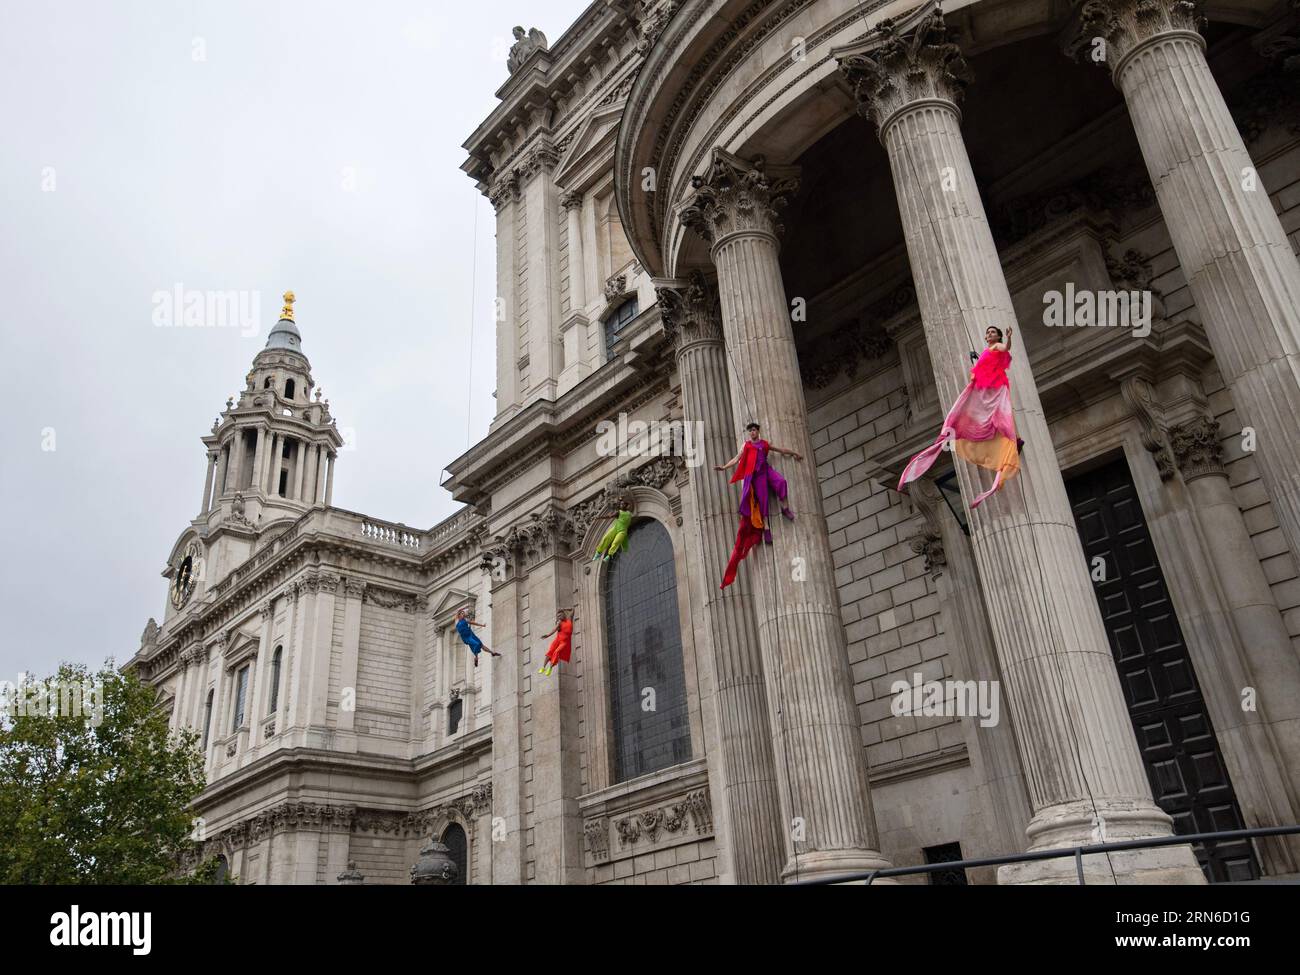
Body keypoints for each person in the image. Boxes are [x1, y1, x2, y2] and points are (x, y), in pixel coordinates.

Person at [899, 325, 1021, 509]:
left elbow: (1005, 349)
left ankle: (1012, 440)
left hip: (995, 387)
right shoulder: (986, 352)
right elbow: (983, 369)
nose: (989, 335)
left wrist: (1009, 338)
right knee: (983, 414)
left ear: (998, 337)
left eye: (993, 333)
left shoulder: (997, 347)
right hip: (986, 388)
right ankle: (1008, 439)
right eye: (987, 332)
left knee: (999, 414)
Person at [715, 422, 801, 588]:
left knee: (781, 482)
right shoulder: (746, 445)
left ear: (758, 431)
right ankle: (766, 529)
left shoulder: (764, 444)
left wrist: (795, 453)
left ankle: (785, 508)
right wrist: (724, 467)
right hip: (756, 477)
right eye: (750, 431)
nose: (752, 432)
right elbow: (737, 459)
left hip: (766, 471)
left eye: (754, 430)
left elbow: (780, 450)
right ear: (749, 433)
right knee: (762, 502)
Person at [593, 495, 634, 561]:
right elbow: (609, 516)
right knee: (605, 538)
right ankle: (598, 553)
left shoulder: (629, 513)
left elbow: (625, 504)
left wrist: (621, 499)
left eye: (622, 504)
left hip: (622, 531)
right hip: (616, 528)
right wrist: (599, 518)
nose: (621, 505)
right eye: (621, 504)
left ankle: (609, 555)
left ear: (626, 505)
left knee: (616, 542)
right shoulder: (618, 512)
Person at [537, 608, 575, 677]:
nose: (559, 617)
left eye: (560, 615)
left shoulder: (569, 620)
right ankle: (543, 667)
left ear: (564, 614)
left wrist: (564, 609)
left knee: (556, 652)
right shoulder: (560, 623)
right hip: (557, 640)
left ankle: (550, 668)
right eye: (558, 616)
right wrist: (548, 635)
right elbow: (554, 630)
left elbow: (572, 610)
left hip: (564, 642)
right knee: (550, 652)